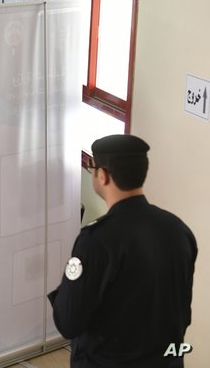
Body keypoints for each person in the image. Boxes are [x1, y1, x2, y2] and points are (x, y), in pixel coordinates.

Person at [48, 134, 197, 367]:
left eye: (91, 167)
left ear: (103, 176)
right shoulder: (178, 229)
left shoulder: (97, 240)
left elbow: (68, 322)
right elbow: (180, 307)